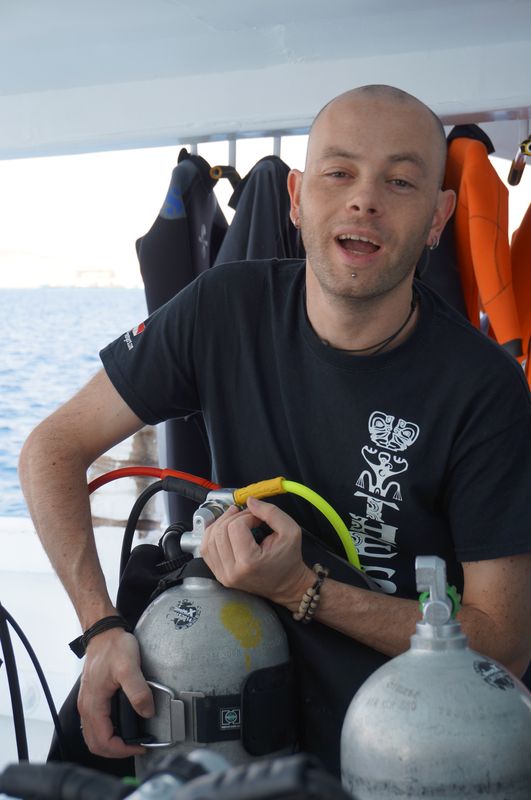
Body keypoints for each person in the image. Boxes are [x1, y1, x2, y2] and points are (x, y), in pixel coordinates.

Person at [19, 85, 531, 768]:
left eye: (400, 181)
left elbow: (503, 643)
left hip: (397, 741)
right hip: (231, 690)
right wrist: (101, 627)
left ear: (438, 217)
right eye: (338, 172)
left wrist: (301, 590)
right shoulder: (222, 309)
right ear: (295, 197)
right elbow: (52, 447)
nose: (364, 200)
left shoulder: (484, 389)